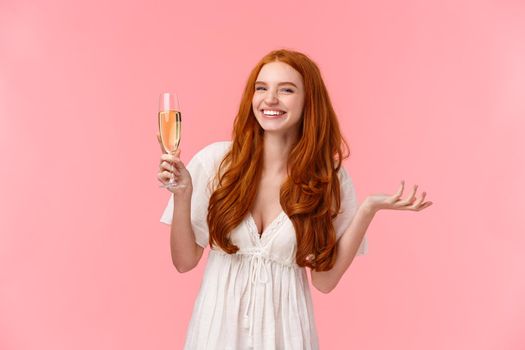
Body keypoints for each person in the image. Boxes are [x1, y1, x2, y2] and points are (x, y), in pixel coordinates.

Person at [157, 49, 432, 349]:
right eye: (261, 88)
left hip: (286, 335)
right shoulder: (215, 162)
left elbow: (324, 282)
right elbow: (184, 262)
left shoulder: (328, 179)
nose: (270, 99)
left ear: (308, 101)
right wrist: (183, 195)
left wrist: (368, 209)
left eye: (286, 90)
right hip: (216, 333)